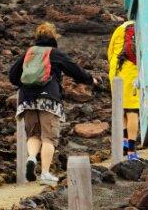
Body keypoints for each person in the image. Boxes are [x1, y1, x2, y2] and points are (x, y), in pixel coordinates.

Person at [8, 21, 95, 185]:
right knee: (49, 137)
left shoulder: (29, 53)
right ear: (53, 37)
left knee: (33, 134)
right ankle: (45, 173)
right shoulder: (54, 53)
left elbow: (13, 76)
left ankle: (32, 158)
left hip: (26, 99)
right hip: (48, 99)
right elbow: (75, 69)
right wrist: (90, 79)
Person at [106, 8, 142, 161]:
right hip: (132, 72)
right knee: (133, 110)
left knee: (121, 108)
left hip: (116, 71)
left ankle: (124, 141)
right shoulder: (142, 27)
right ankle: (132, 151)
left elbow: (110, 52)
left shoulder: (120, 28)